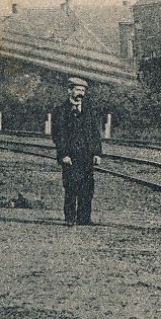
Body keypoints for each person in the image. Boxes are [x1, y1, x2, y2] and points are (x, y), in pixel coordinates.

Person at [50, 76, 102, 226]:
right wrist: (63, 154)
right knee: (71, 186)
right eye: (78, 89)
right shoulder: (60, 111)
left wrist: (97, 153)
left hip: (87, 156)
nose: (81, 93)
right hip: (70, 156)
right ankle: (70, 218)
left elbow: (95, 134)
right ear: (70, 91)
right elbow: (58, 136)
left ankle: (84, 218)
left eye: (83, 90)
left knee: (87, 187)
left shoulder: (90, 111)